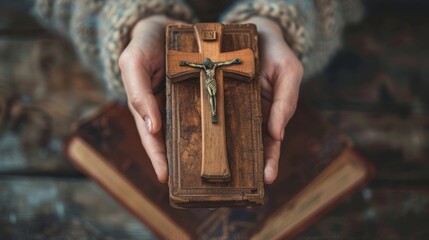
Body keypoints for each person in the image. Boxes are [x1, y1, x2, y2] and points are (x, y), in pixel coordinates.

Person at [31, 0, 363, 184]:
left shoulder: (218, 63)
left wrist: (277, 24)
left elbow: (234, 59)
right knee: (211, 111)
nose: (209, 63)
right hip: (194, 78)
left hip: (260, 79)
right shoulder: (198, 66)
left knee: (217, 111)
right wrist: (132, 20)